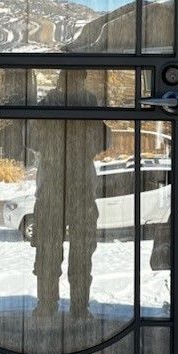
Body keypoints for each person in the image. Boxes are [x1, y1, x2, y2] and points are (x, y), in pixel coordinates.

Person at [28, 71, 103, 321]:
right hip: (69, 186)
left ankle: (52, 306)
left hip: (59, 185)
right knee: (73, 250)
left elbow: (33, 140)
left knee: (54, 250)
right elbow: (102, 140)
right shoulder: (86, 103)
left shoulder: (51, 103)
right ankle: (74, 308)